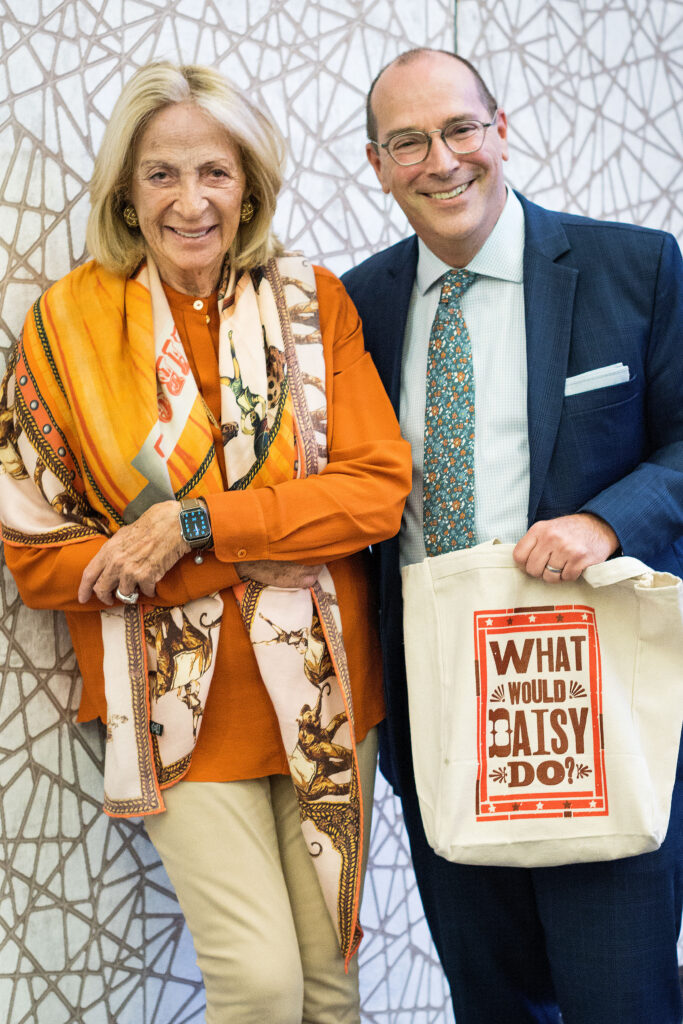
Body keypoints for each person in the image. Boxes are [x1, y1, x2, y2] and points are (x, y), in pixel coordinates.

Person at [0, 62, 411, 1024]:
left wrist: (187, 528)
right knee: (258, 988)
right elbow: (41, 558)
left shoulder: (314, 305)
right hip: (172, 713)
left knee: (327, 987)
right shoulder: (65, 327)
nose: (191, 201)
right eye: (162, 175)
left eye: (215, 173)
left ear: (249, 184)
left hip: (323, 694)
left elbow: (374, 493)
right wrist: (251, 545)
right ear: (126, 194)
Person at [341, 47, 683, 1024]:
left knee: (618, 1001)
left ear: (500, 129)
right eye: (406, 141)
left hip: (594, 707)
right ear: (376, 163)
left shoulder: (634, 266)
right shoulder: (353, 307)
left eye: (457, 129)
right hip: (438, 716)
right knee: (492, 1004)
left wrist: (604, 519)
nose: (438, 160)